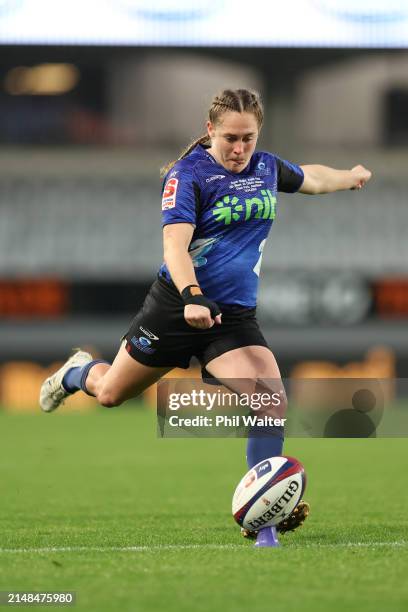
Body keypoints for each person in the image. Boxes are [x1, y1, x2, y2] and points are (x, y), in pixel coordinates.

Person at [39, 88, 372, 536]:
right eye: (230, 138)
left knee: (269, 400)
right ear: (210, 130)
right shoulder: (188, 174)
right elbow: (174, 245)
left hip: (232, 318)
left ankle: (264, 522)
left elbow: (310, 178)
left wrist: (349, 176)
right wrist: (193, 295)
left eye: (248, 139)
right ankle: (78, 371)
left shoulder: (266, 167)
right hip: (176, 308)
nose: (239, 149)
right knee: (111, 395)